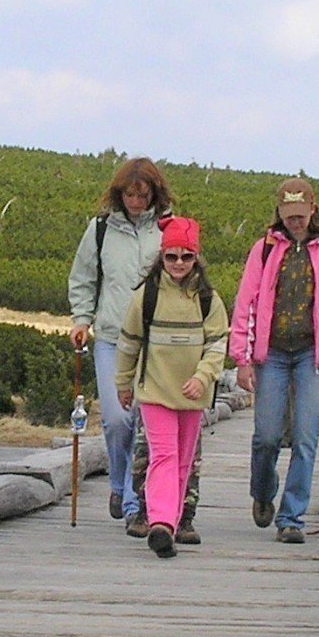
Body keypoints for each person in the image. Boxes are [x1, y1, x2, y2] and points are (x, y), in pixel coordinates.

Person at [230, 180, 319, 544]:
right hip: (270, 354)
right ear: (280, 213)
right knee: (267, 435)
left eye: (301, 216)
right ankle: (262, 491)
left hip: (310, 356)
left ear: (313, 209)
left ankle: (292, 518)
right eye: (289, 217)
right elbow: (247, 302)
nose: (296, 223)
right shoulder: (265, 249)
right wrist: (242, 357)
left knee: (306, 436)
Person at [114, 217, 227, 559]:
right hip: (155, 391)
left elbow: (218, 344)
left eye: (186, 257)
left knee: (183, 460)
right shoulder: (145, 297)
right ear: (161, 257)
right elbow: (129, 343)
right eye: (171, 257)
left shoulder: (209, 300)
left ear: (197, 259)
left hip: (193, 395)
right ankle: (161, 523)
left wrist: (202, 377)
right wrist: (123, 384)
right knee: (162, 455)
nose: (179, 264)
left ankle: (171, 524)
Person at [67, 158, 170, 524]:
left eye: (143, 195)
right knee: (116, 418)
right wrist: (82, 319)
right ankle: (117, 482)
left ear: (155, 193)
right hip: (111, 337)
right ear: (119, 193)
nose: (136, 203)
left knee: (147, 420)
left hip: (157, 341)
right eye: (130, 194)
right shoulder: (99, 229)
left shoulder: (168, 230)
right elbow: (82, 278)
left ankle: (131, 500)